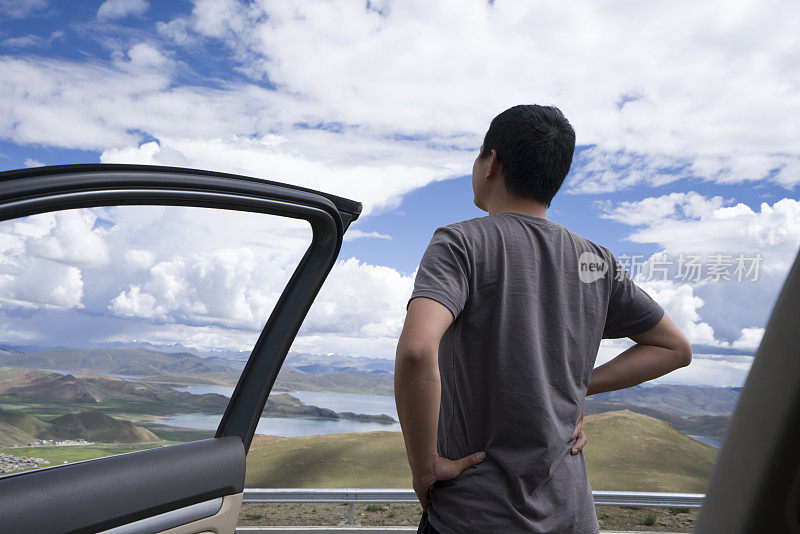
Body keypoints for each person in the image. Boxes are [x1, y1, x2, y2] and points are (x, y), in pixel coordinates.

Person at [394, 104, 693, 533]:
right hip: (573, 518)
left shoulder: (460, 243)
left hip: (476, 516)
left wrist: (424, 467)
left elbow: (417, 352)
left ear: (491, 162)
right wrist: (577, 388)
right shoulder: (596, 260)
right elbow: (674, 348)